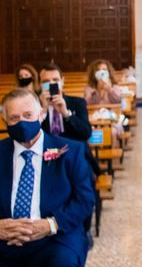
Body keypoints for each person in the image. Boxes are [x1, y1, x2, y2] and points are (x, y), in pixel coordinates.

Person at [0, 89, 94, 266]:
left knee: (62, 261)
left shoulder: (69, 151)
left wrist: (50, 225)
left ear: (41, 114)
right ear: (5, 121)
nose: (22, 123)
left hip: (55, 235)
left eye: (28, 115)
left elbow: (85, 200)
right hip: (6, 236)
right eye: (14, 118)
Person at [39, 63, 91, 143]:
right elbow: (30, 135)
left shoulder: (78, 102)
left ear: (62, 81)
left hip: (73, 148)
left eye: (55, 80)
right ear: (40, 84)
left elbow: (86, 134)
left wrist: (66, 113)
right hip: (46, 149)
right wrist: (43, 111)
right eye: (46, 81)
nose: (51, 83)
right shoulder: (35, 105)